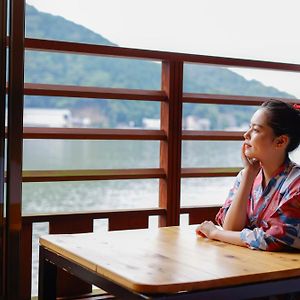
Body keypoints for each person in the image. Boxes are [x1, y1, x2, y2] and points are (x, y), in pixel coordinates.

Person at [196, 99, 300, 251]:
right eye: (249, 127)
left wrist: (215, 233)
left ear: (280, 141)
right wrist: (248, 176)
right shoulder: (247, 175)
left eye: (256, 130)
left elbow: (272, 238)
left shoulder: (296, 184)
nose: (246, 134)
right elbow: (230, 227)